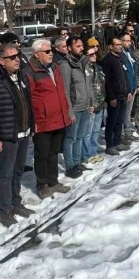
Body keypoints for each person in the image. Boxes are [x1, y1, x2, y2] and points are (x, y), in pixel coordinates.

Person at [0, 44, 36, 227]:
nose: (17, 59)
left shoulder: (21, 77)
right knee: (6, 174)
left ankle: (16, 202)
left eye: (17, 55)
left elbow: (27, 103)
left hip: (24, 131)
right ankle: (5, 210)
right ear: (1, 61)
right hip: (6, 135)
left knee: (18, 170)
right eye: (12, 57)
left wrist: (31, 124)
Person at [22, 39, 72, 199]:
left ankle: (53, 181)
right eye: (47, 52)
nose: (51, 54)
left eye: (51, 51)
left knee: (53, 152)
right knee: (42, 154)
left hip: (58, 118)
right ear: (37, 55)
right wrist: (32, 121)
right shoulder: (29, 72)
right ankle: (42, 184)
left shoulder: (55, 67)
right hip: (42, 121)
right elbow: (27, 99)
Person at [58, 37, 93, 178]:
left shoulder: (84, 62)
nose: (81, 48)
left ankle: (77, 162)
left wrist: (91, 103)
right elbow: (65, 89)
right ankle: (70, 165)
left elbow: (88, 84)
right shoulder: (65, 65)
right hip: (75, 108)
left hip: (85, 106)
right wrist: (69, 111)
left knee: (80, 137)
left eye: (81, 45)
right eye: (77, 46)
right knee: (70, 138)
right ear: (69, 48)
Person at [100, 37, 131, 155]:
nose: (120, 46)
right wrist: (111, 97)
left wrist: (128, 90)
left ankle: (117, 142)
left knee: (119, 120)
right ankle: (110, 144)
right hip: (114, 96)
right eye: (117, 44)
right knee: (111, 121)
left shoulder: (120, 58)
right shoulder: (107, 60)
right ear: (111, 46)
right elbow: (106, 81)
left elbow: (125, 75)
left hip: (123, 94)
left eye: (120, 44)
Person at [84, 43, 107, 163]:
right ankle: (87, 154)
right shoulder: (84, 69)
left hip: (100, 102)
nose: (94, 56)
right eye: (90, 54)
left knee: (96, 131)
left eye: (95, 53)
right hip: (90, 105)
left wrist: (105, 100)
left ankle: (93, 151)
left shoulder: (98, 67)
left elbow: (102, 85)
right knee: (88, 132)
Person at [119, 32, 139, 144]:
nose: (130, 42)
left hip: (132, 87)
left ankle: (127, 132)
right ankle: (124, 134)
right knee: (124, 113)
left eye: (130, 40)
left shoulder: (130, 53)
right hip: (125, 89)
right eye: (127, 40)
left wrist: (136, 85)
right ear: (121, 42)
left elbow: (134, 70)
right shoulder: (120, 55)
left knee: (128, 112)